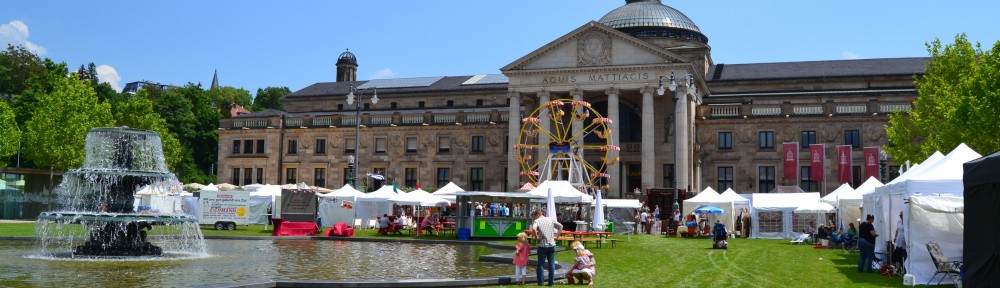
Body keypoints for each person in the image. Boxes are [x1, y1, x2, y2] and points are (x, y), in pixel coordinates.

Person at [531, 209, 562, 286]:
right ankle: (551, 283)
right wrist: (557, 237)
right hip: (551, 244)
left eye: (533, 216)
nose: (533, 218)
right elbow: (561, 226)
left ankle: (541, 282)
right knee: (551, 264)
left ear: (537, 214)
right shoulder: (550, 219)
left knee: (541, 264)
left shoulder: (537, 221)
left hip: (542, 245)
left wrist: (537, 238)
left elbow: (533, 229)